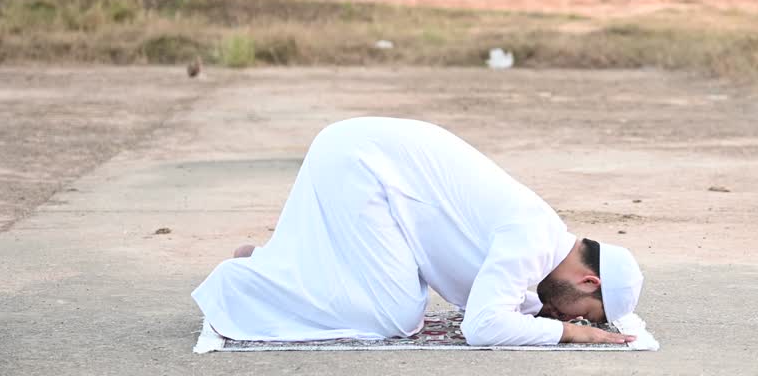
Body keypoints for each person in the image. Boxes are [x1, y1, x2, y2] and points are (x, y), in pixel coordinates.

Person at [192, 116, 644, 346]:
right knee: (394, 315)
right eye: (586, 313)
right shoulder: (531, 238)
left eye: (581, 323)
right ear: (590, 281)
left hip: (363, 158)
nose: (572, 318)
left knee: (395, 305)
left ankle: (264, 264)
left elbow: (487, 293)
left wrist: (536, 316)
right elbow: (483, 326)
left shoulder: (542, 237)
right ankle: (242, 289)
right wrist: (575, 336)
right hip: (360, 163)